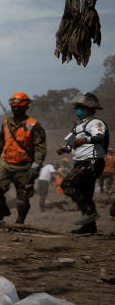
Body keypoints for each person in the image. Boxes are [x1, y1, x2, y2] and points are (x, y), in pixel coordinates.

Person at [0, 92, 46, 229]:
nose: (16, 109)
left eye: (19, 107)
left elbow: (40, 148)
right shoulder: (6, 124)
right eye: (13, 106)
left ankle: (20, 221)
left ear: (26, 107)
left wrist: (36, 166)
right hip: (6, 164)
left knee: (22, 198)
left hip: (25, 166)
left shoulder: (34, 125)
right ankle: (1, 212)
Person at [56, 92, 109, 235]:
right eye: (77, 107)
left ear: (91, 108)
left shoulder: (95, 123)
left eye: (81, 107)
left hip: (91, 161)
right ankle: (90, 227)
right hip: (80, 162)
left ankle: (91, 212)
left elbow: (99, 137)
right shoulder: (78, 126)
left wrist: (86, 140)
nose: (78, 110)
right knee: (85, 193)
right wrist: (65, 149)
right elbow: (72, 143)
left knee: (67, 185)